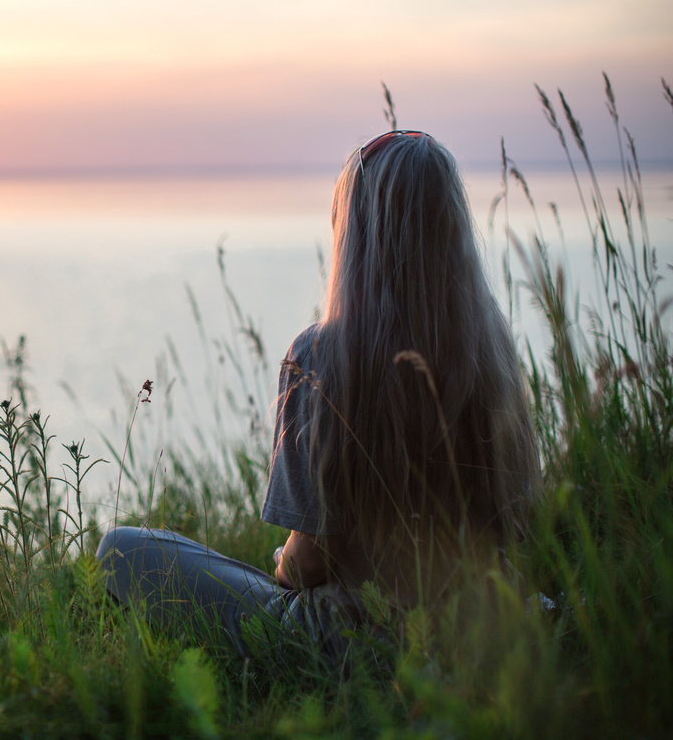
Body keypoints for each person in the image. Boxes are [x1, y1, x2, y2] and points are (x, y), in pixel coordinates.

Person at [96, 130, 539, 657]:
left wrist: (284, 558)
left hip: (352, 641)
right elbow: (519, 525)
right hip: (482, 630)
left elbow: (307, 566)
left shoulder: (321, 357)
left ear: (355, 235)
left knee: (125, 549)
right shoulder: (492, 354)